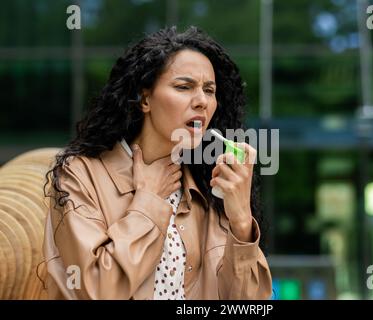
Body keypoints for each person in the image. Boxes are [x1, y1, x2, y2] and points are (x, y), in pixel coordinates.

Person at [41, 26, 272, 300]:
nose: (202, 101)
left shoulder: (209, 187)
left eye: (209, 90)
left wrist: (242, 220)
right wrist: (149, 202)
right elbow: (95, 291)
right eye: (184, 87)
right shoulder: (80, 175)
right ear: (145, 98)